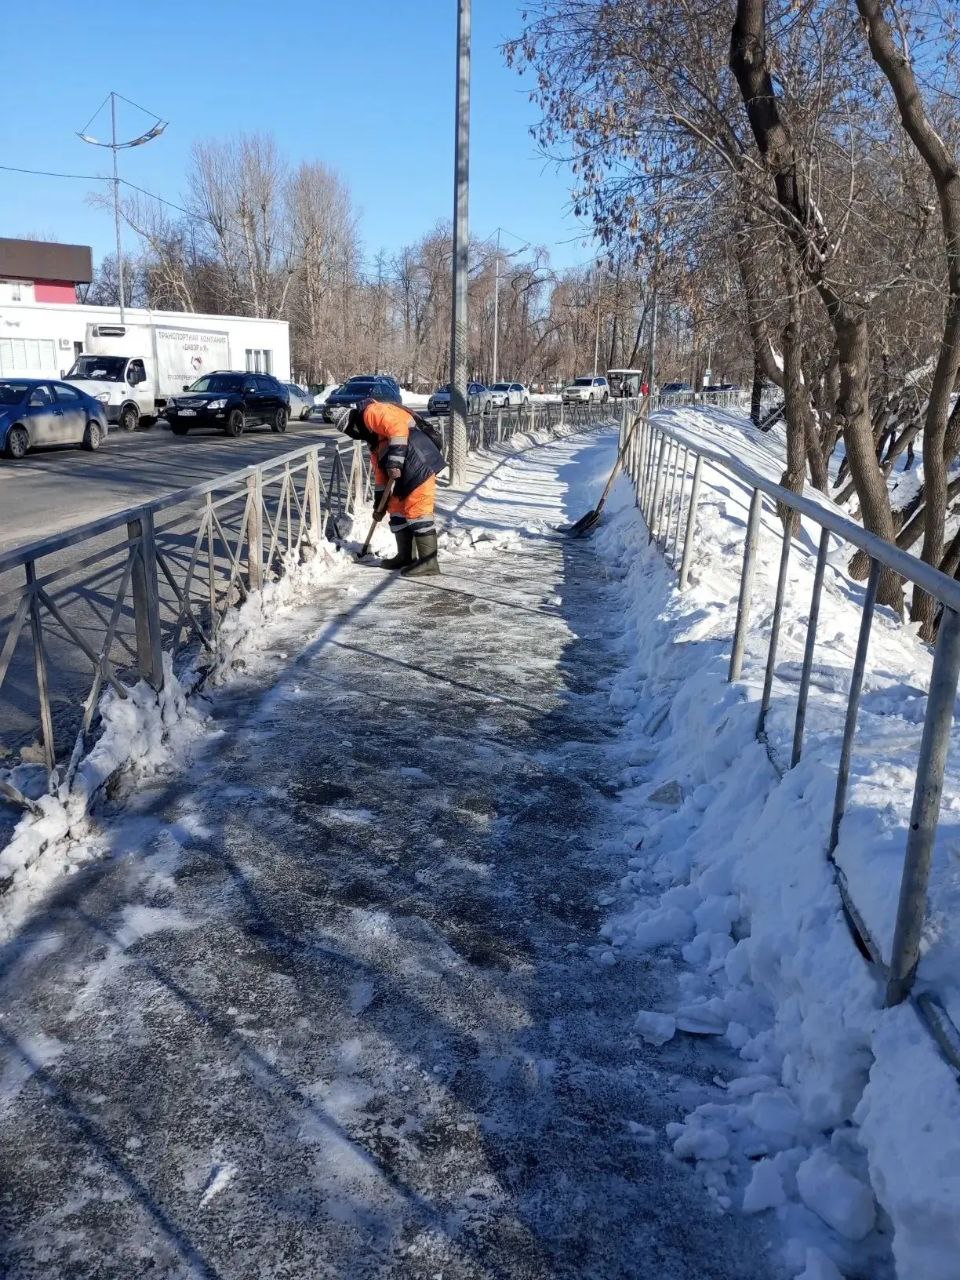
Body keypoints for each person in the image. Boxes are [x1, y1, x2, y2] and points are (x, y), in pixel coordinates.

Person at [340, 398, 446, 575]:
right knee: (396, 509)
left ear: (353, 424)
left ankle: (429, 562)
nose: (355, 435)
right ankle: (405, 556)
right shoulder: (374, 438)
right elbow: (380, 475)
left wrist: (395, 461)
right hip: (406, 468)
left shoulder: (372, 411)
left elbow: (398, 427)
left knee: (418, 509)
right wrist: (379, 505)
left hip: (420, 462)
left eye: (351, 431)